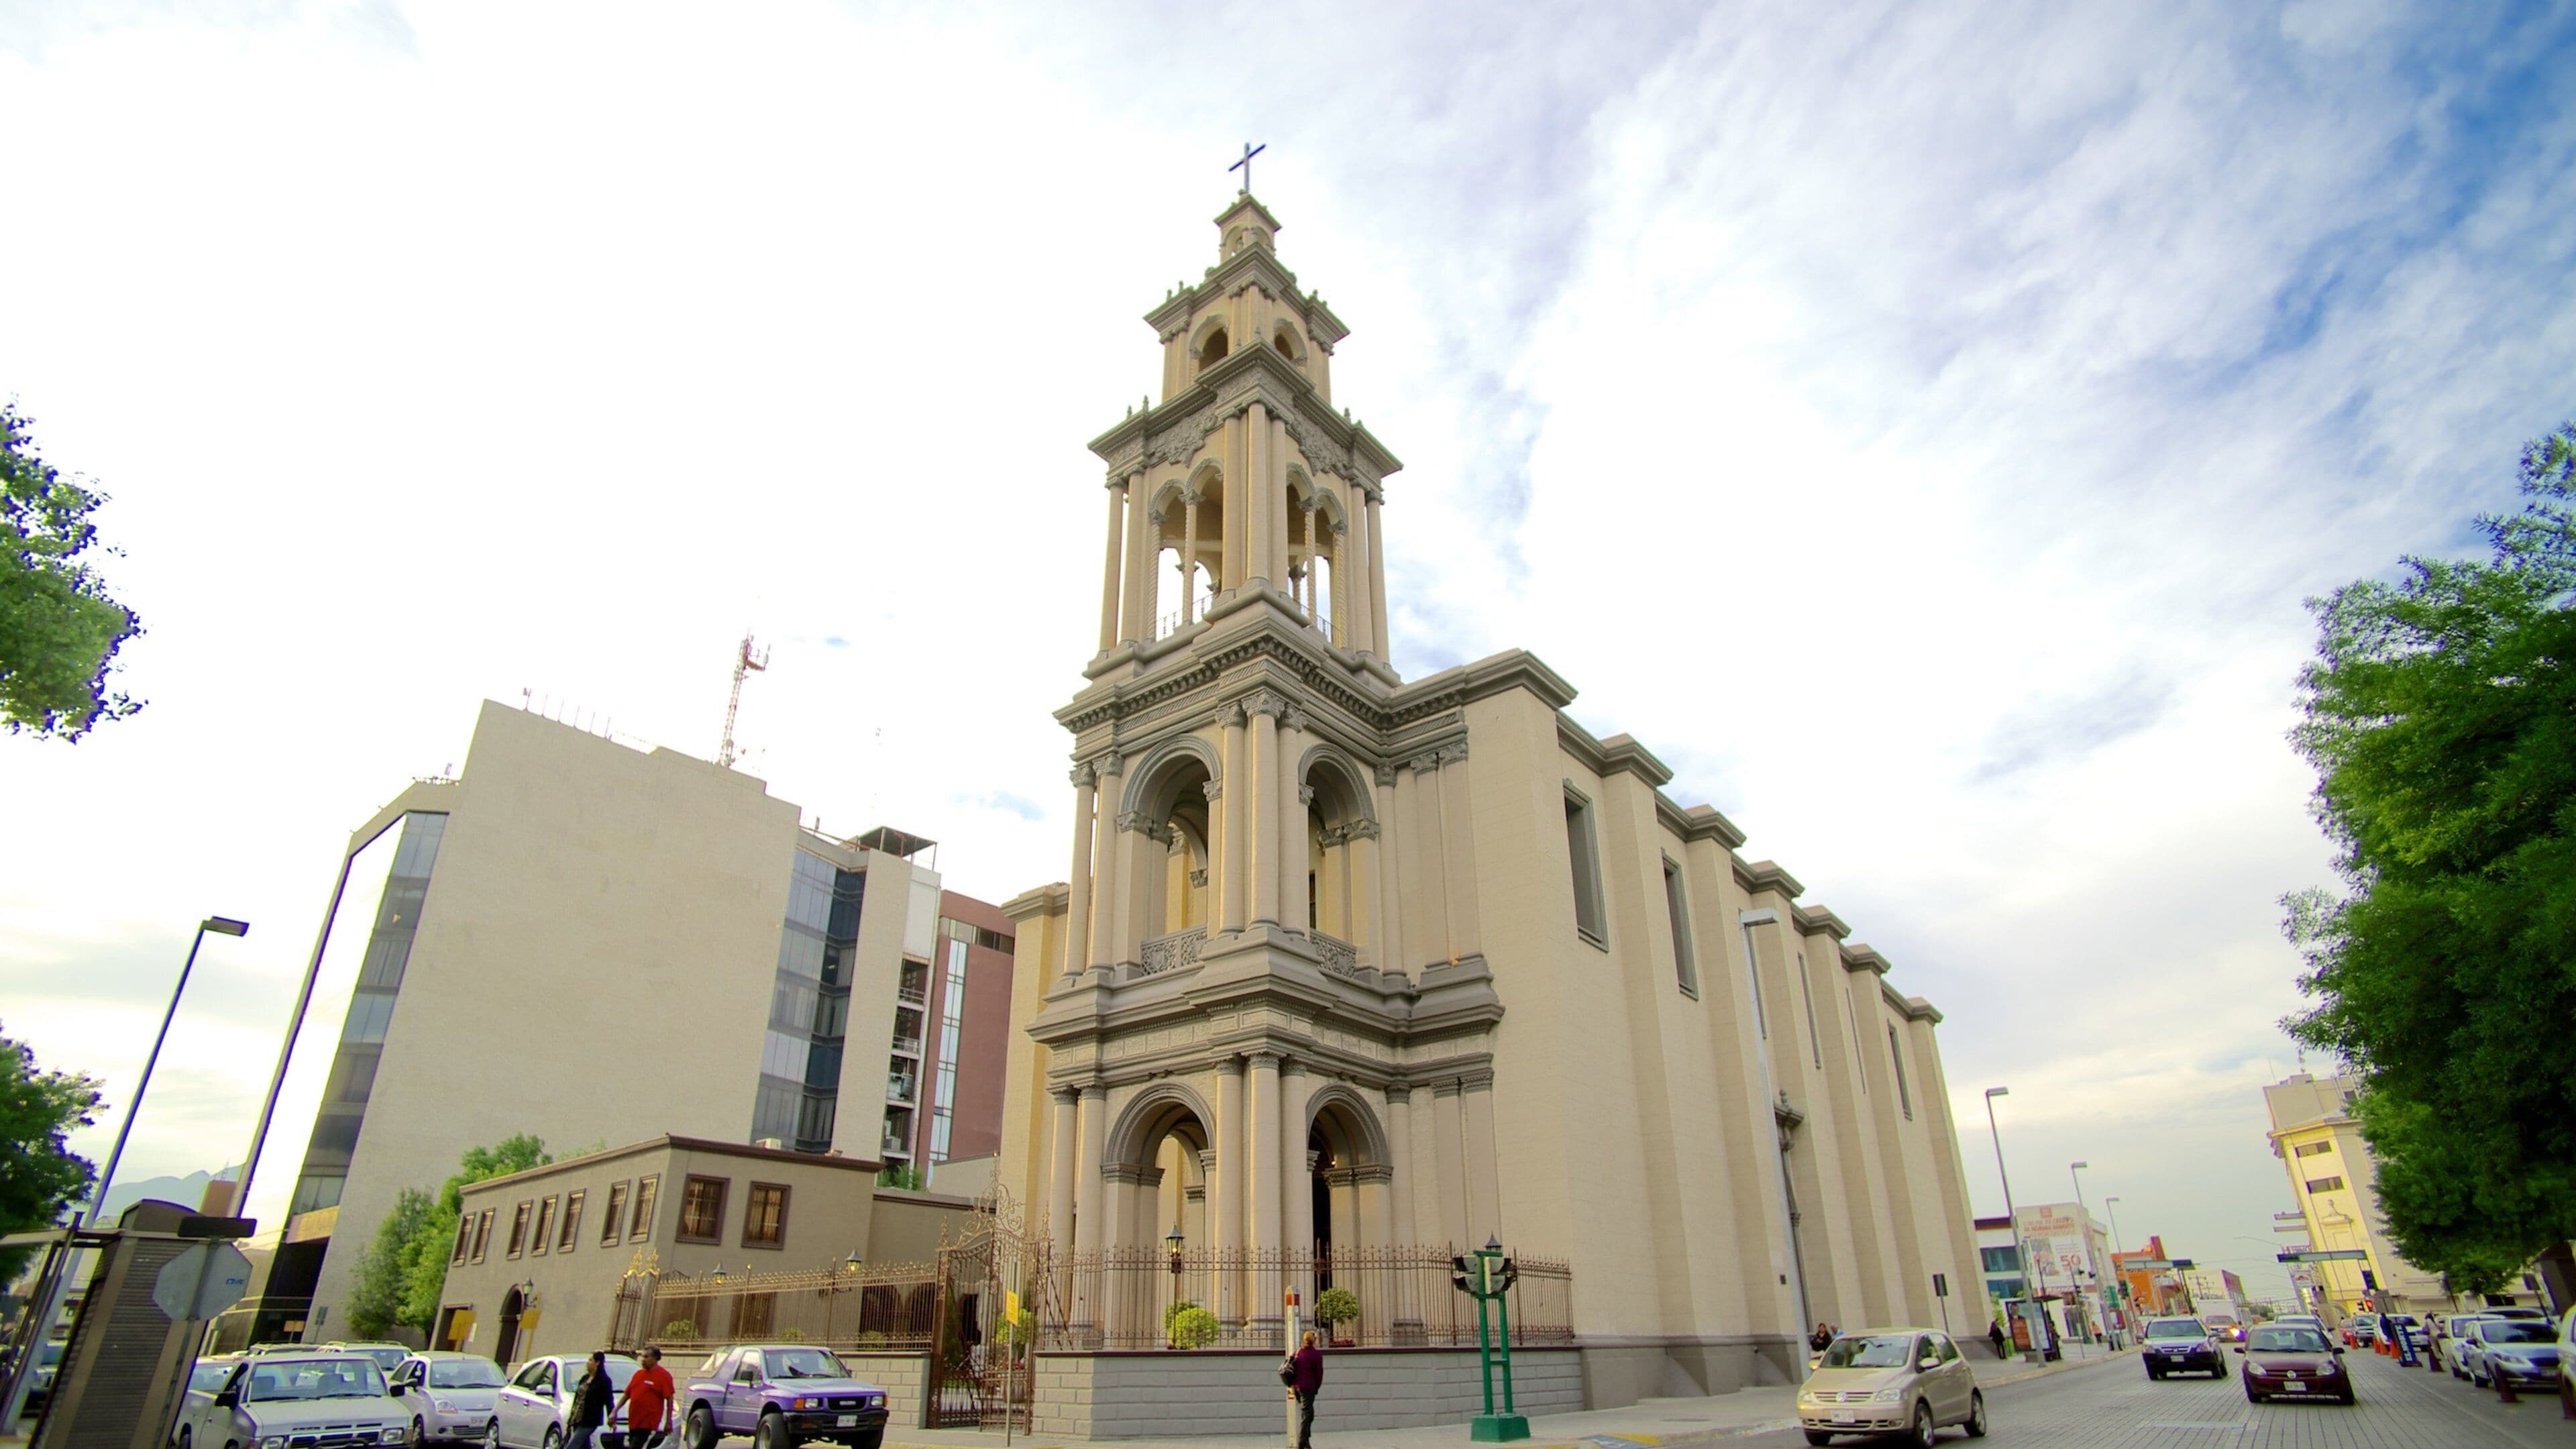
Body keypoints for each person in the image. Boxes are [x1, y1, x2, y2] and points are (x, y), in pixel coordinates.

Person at [614, 1346, 676, 1449]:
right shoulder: (639, 1374)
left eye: (647, 1357)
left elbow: (670, 1399)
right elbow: (627, 1394)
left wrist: (669, 1421)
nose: (643, 1359)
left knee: (637, 1446)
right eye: (643, 1357)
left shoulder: (664, 1376)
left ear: (655, 1359)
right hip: (634, 1421)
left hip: (648, 1423)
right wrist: (615, 1411)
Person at [568, 1352, 615, 1449]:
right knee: (584, 1446)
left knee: (572, 1446)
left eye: (590, 1360)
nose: (587, 1363)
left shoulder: (604, 1381)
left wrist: (612, 1418)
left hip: (590, 1420)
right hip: (577, 1419)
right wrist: (570, 1420)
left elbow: (609, 1400)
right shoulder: (585, 1378)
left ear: (597, 1363)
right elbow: (577, 1399)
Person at [1287, 1329, 1324, 1449]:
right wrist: (1316, 1387)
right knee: (1308, 1414)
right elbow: (1319, 1374)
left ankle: (1306, 1441)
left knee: (1308, 1413)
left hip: (1296, 1386)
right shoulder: (1316, 1355)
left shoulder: (1299, 1352)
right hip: (1308, 1387)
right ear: (1315, 1340)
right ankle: (1302, 1441)